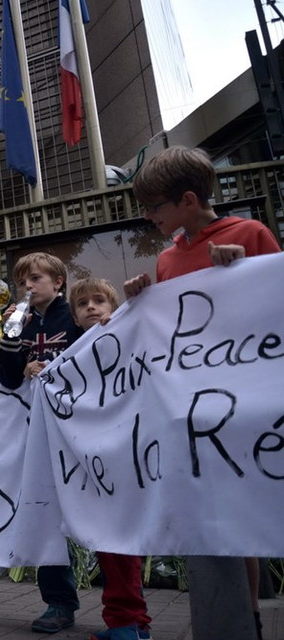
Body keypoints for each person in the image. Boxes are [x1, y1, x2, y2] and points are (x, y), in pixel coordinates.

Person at [123, 146, 281, 640]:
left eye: (154, 208)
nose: (149, 217)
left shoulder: (250, 235)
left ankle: (244, 613)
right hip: (195, 407)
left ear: (188, 200)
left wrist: (239, 274)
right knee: (214, 514)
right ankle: (234, 617)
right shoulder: (168, 258)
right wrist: (142, 299)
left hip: (249, 405)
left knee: (245, 510)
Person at [0, 252, 82, 633]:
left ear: (58, 282)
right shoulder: (19, 324)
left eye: (34, 279)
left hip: (82, 430)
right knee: (47, 512)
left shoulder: (77, 315)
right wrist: (18, 351)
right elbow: (9, 381)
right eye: (21, 282)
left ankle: (125, 607)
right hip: (40, 432)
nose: (27, 287)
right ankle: (59, 603)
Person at [69, 278, 153, 640]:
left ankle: (125, 623)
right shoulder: (76, 351)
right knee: (112, 542)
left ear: (114, 306)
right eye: (83, 303)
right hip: (96, 458)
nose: (91, 307)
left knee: (119, 540)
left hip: (125, 454)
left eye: (99, 300)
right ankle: (134, 623)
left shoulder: (126, 334)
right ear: (73, 316)